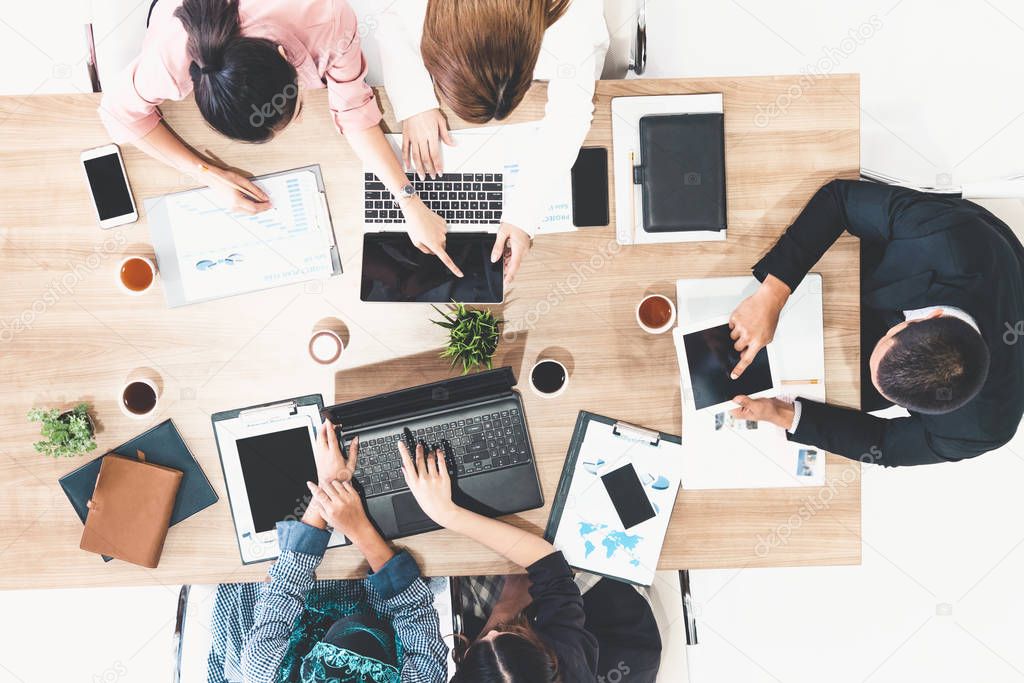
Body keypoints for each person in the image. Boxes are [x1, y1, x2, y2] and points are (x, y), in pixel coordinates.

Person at [99, 0, 462, 276]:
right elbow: (116, 113)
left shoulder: (329, 17)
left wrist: (409, 202)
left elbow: (354, 113)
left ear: (288, 58)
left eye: (296, 111)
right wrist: (206, 173)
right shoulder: (171, 53)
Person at [727, 179, 1024, 467]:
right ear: (927, 316)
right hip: (907, 264)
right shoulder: (946, 236)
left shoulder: (983, 429)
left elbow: (885, 445)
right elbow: (839, 200)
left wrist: (784, 415)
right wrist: (773, 293)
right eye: (882, 350)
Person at [377, 0, 610, 286]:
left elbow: (570, 112)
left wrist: (524, 214)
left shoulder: (572, 17)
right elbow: (392, 23)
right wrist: (414, 102)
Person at [206, 420, 448, 682]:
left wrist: (330, 485)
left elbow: (288, 579)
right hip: (379, 597)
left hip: (278, 619)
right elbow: (412, 606)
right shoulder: (426, 678)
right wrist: (359, 529)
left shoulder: (265, 670)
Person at [398, 441, 662, 681]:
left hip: (542, 621)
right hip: (611, 621)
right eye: (500, 635)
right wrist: (447, 514)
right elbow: (550, 566)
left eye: (482, 644)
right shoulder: (570, 665)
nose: (489, 634)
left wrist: (503, 614)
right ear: (548, 659)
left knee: (452, 557)